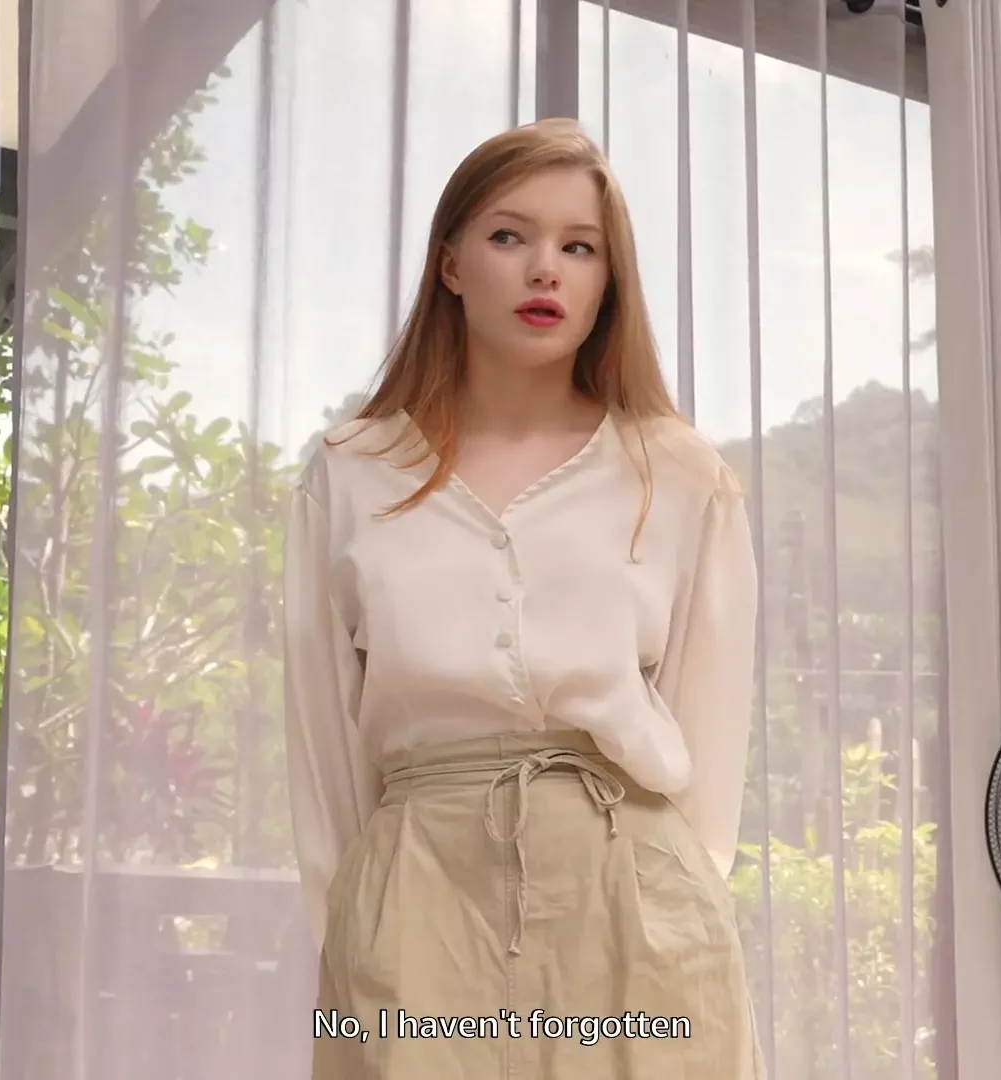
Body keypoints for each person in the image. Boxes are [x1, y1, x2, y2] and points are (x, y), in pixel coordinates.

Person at [283, 118, 762, 1079]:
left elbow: (710, 747)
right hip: (416, 895)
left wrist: (672, 910)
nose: (546, 268)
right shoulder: (351, 469)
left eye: (580, 247)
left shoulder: (678, 473)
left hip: (634, 896)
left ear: (607, 281)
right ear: (452, 264)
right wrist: (353, 927)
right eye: (510, 236)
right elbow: (322, 736)